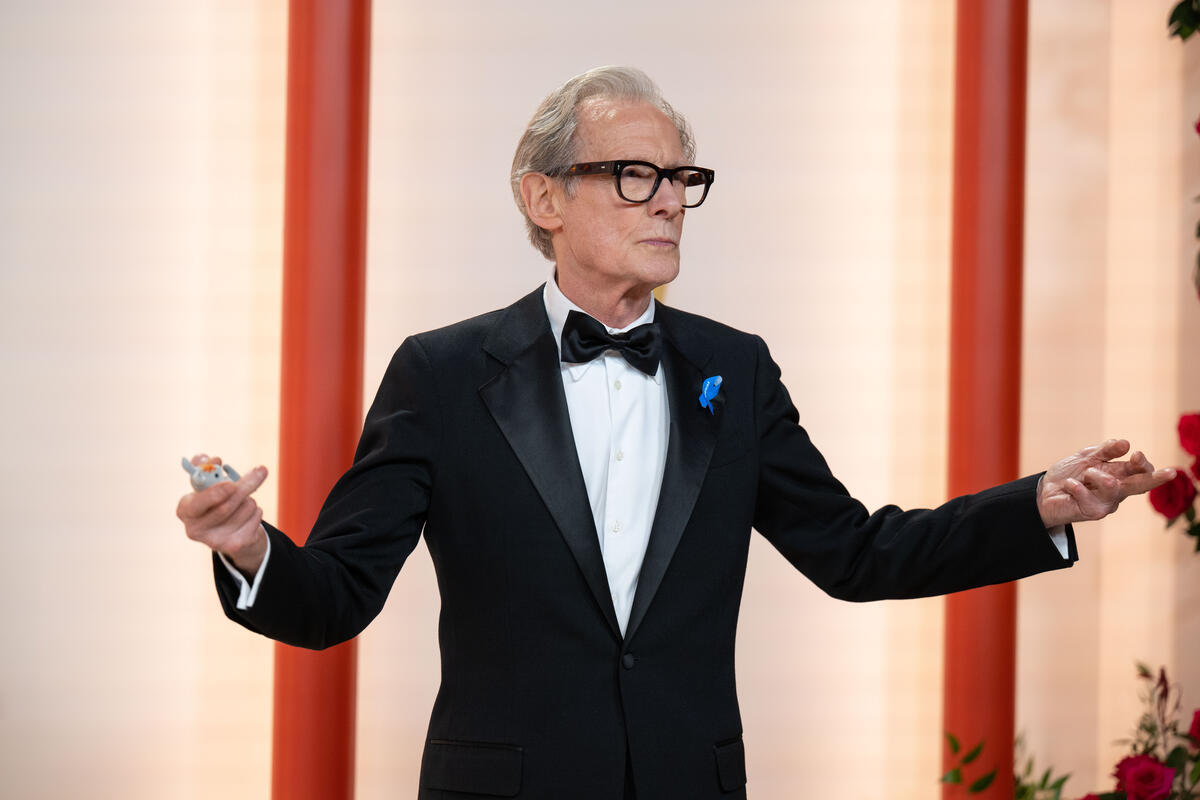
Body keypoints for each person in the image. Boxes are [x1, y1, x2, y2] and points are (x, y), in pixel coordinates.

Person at [177, 66, 1175, 800]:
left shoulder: (731, 370)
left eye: (679, 178)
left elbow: (858, 551)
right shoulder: (441, 374)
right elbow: (336, 599)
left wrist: (1035, 504)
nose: (667, 198)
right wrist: (251, 549)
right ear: (543, 198)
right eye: (632, 174)